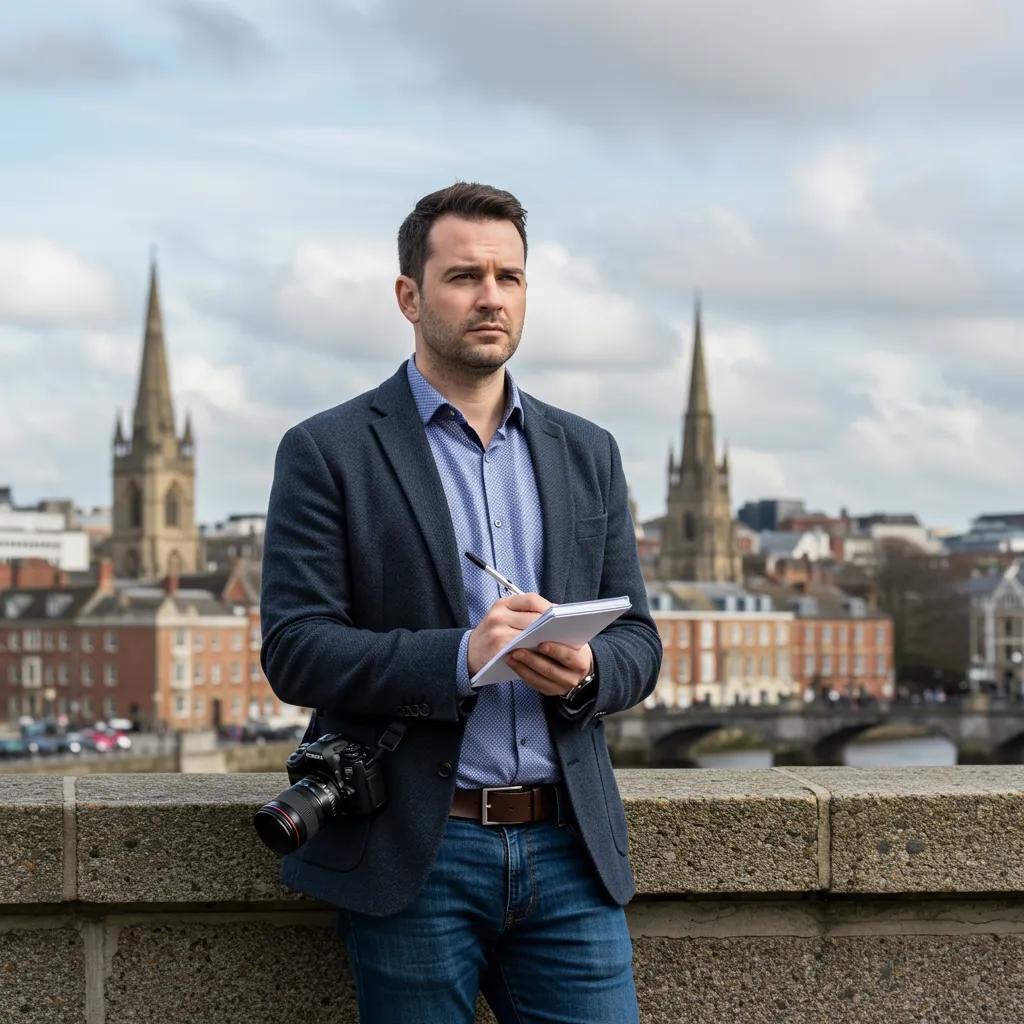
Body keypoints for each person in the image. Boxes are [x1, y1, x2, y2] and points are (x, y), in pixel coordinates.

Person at [259, 182, 662, 1023]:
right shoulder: (328, 451)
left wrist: (587, 672)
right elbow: (295, 648)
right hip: (418, 851)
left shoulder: (588, 451)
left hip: (569, 852)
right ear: (409, 296)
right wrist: (460, 658)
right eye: (464, 276)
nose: (491, 297)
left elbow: (640, 644)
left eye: (509, 277)